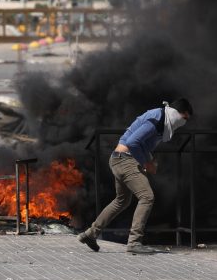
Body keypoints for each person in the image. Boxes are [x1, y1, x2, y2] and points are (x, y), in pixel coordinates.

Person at [77, 98, 193, 255]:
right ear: (177, 112)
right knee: (147, 197)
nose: (184, 122)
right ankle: (134, 242)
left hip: (119, 159)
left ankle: (90, 234)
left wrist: (150, 159)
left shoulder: (160, 120)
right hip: (125, 159)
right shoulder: (157, 118)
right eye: (184, 117)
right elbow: (133, 142)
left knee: (121, 201)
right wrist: (147, 162)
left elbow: (141, 144)